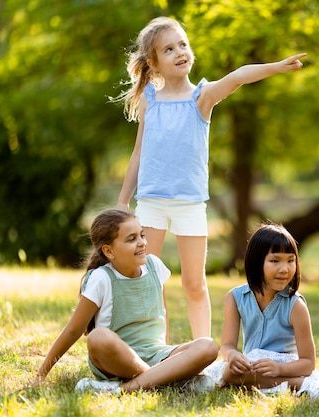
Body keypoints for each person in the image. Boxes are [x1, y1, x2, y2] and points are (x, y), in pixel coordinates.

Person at [114, 16, 307, 339]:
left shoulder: (201, 97)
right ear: (154, 62)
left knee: (193, 282)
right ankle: (156, 346)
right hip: (151, 202)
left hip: (189, 204)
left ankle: (203, 348)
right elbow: (138, 153)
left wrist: (275, 67)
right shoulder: (149, 100)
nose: (180, 52)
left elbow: (238, 77)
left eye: (183, 45)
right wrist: (123, 201)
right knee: (151, 278)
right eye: (169, 49)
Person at [32, 209, 219, 394]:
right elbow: (73, 330)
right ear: (109, 251)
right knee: (99, 337)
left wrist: (170, 358)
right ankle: (165, 380)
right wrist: (41, 374)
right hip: (116, 360)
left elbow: (162, 314)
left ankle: (124, 388)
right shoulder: (102, 278)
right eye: (132, 239)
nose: (142, 243)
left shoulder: (155, 266)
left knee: (208, 346)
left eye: (142, 235)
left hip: (157, 354)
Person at [203, 223, 319, 399]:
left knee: (230, 378)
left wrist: (278, 369)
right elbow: (226, 346)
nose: (284, 269)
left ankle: (302, 383)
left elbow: (308, 363)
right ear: (256, 262)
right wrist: (233, 356)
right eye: (275, 261)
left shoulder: (296, 306)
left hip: (285, 366)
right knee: (227, 373)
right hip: (252, 364)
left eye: (290, 260)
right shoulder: (235, 297)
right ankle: (294, 385)